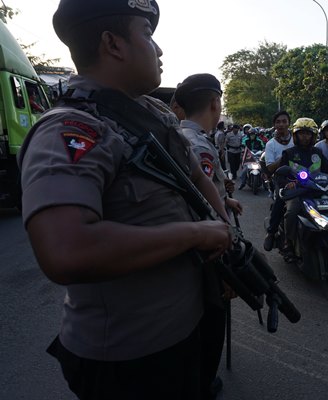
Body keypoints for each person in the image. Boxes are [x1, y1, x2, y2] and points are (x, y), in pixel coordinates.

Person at [18, 1, 233, 399]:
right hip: (130, 359)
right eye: (148, 35)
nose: (160, 50)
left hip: (186, 329)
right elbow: (67, 250)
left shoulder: (152, 114)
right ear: (113, 44)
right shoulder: (71, 130)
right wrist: (196, 234)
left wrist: (226, 233)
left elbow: (197, 176)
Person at [176, 73, 243, 216]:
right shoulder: (200, 146)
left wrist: (226, 200)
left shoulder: (182, 135)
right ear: (215, 103)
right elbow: (201, 199)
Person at [279, 117, 328, 255]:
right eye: (301, 133)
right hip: (297, 192)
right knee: (291, 212)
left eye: (308, 134)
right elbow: (280, 176)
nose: (305, 137)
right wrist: (287, 184)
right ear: (296, 135)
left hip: (316, 190)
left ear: (313, 135)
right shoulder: (289, 153)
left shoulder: (317, 153)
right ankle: (288, 242)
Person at [263, 110, 294, 251]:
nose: (281, 124)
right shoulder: (271, 144)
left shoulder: (297, 139)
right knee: (281, 200)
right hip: (280, 178)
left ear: (289, 123)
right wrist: (284, 159)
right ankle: (271, 232)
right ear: (274, 125)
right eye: (278, 122)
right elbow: (269, 167)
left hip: (300, 176)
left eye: (284, 121)